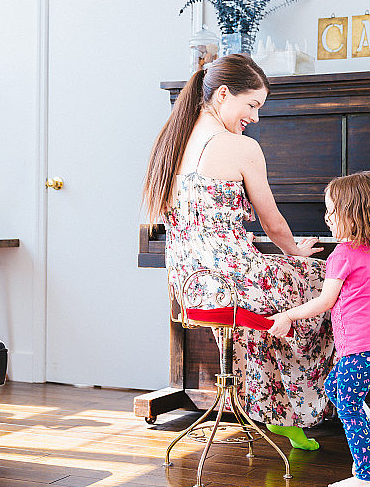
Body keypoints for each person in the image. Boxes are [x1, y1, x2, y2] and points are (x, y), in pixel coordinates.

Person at [142, 54, 332, 450]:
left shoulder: (171, 141)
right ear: (224, 94)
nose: (256, 118)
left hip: (191, 283)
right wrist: (296, 252)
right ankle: (298, 409)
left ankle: (272, 408)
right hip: (231, 281)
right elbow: (273, 223)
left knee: (278, 299)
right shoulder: (239, 147)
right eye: (253, 105)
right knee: (322, 282)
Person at [268, 171, 370, 487]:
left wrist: (286, 315)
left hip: (360, 350)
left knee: (348, 406)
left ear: (352, 213)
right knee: (334, 386)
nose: (326, 218)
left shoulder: (341, 255)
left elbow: (325, 301)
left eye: (331, 211)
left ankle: (366, 477)